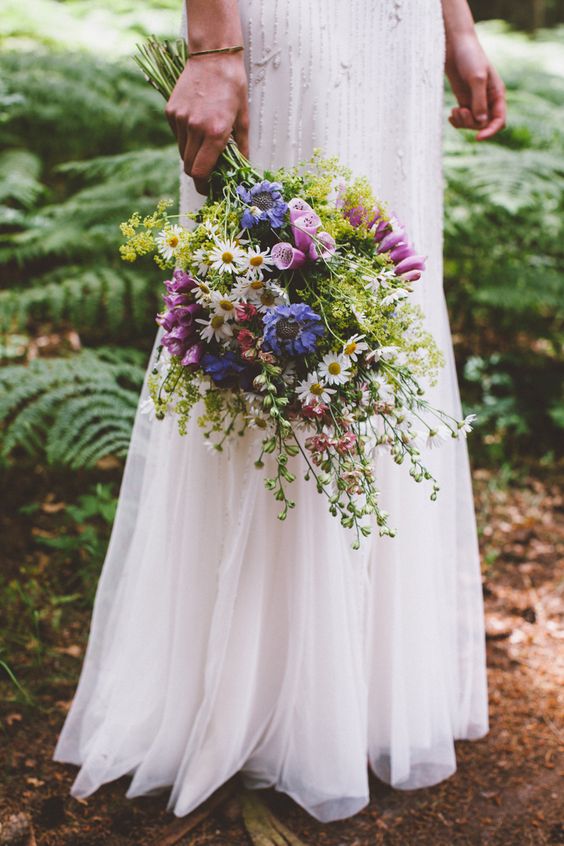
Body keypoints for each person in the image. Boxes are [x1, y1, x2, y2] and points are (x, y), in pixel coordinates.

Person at [54, 0, 506, 824]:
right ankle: (240, 686)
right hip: (287, 28)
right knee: (267, 305)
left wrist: (455, 24)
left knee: (376, 305)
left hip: (395, 31)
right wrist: (215, 43)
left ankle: (353, 690)